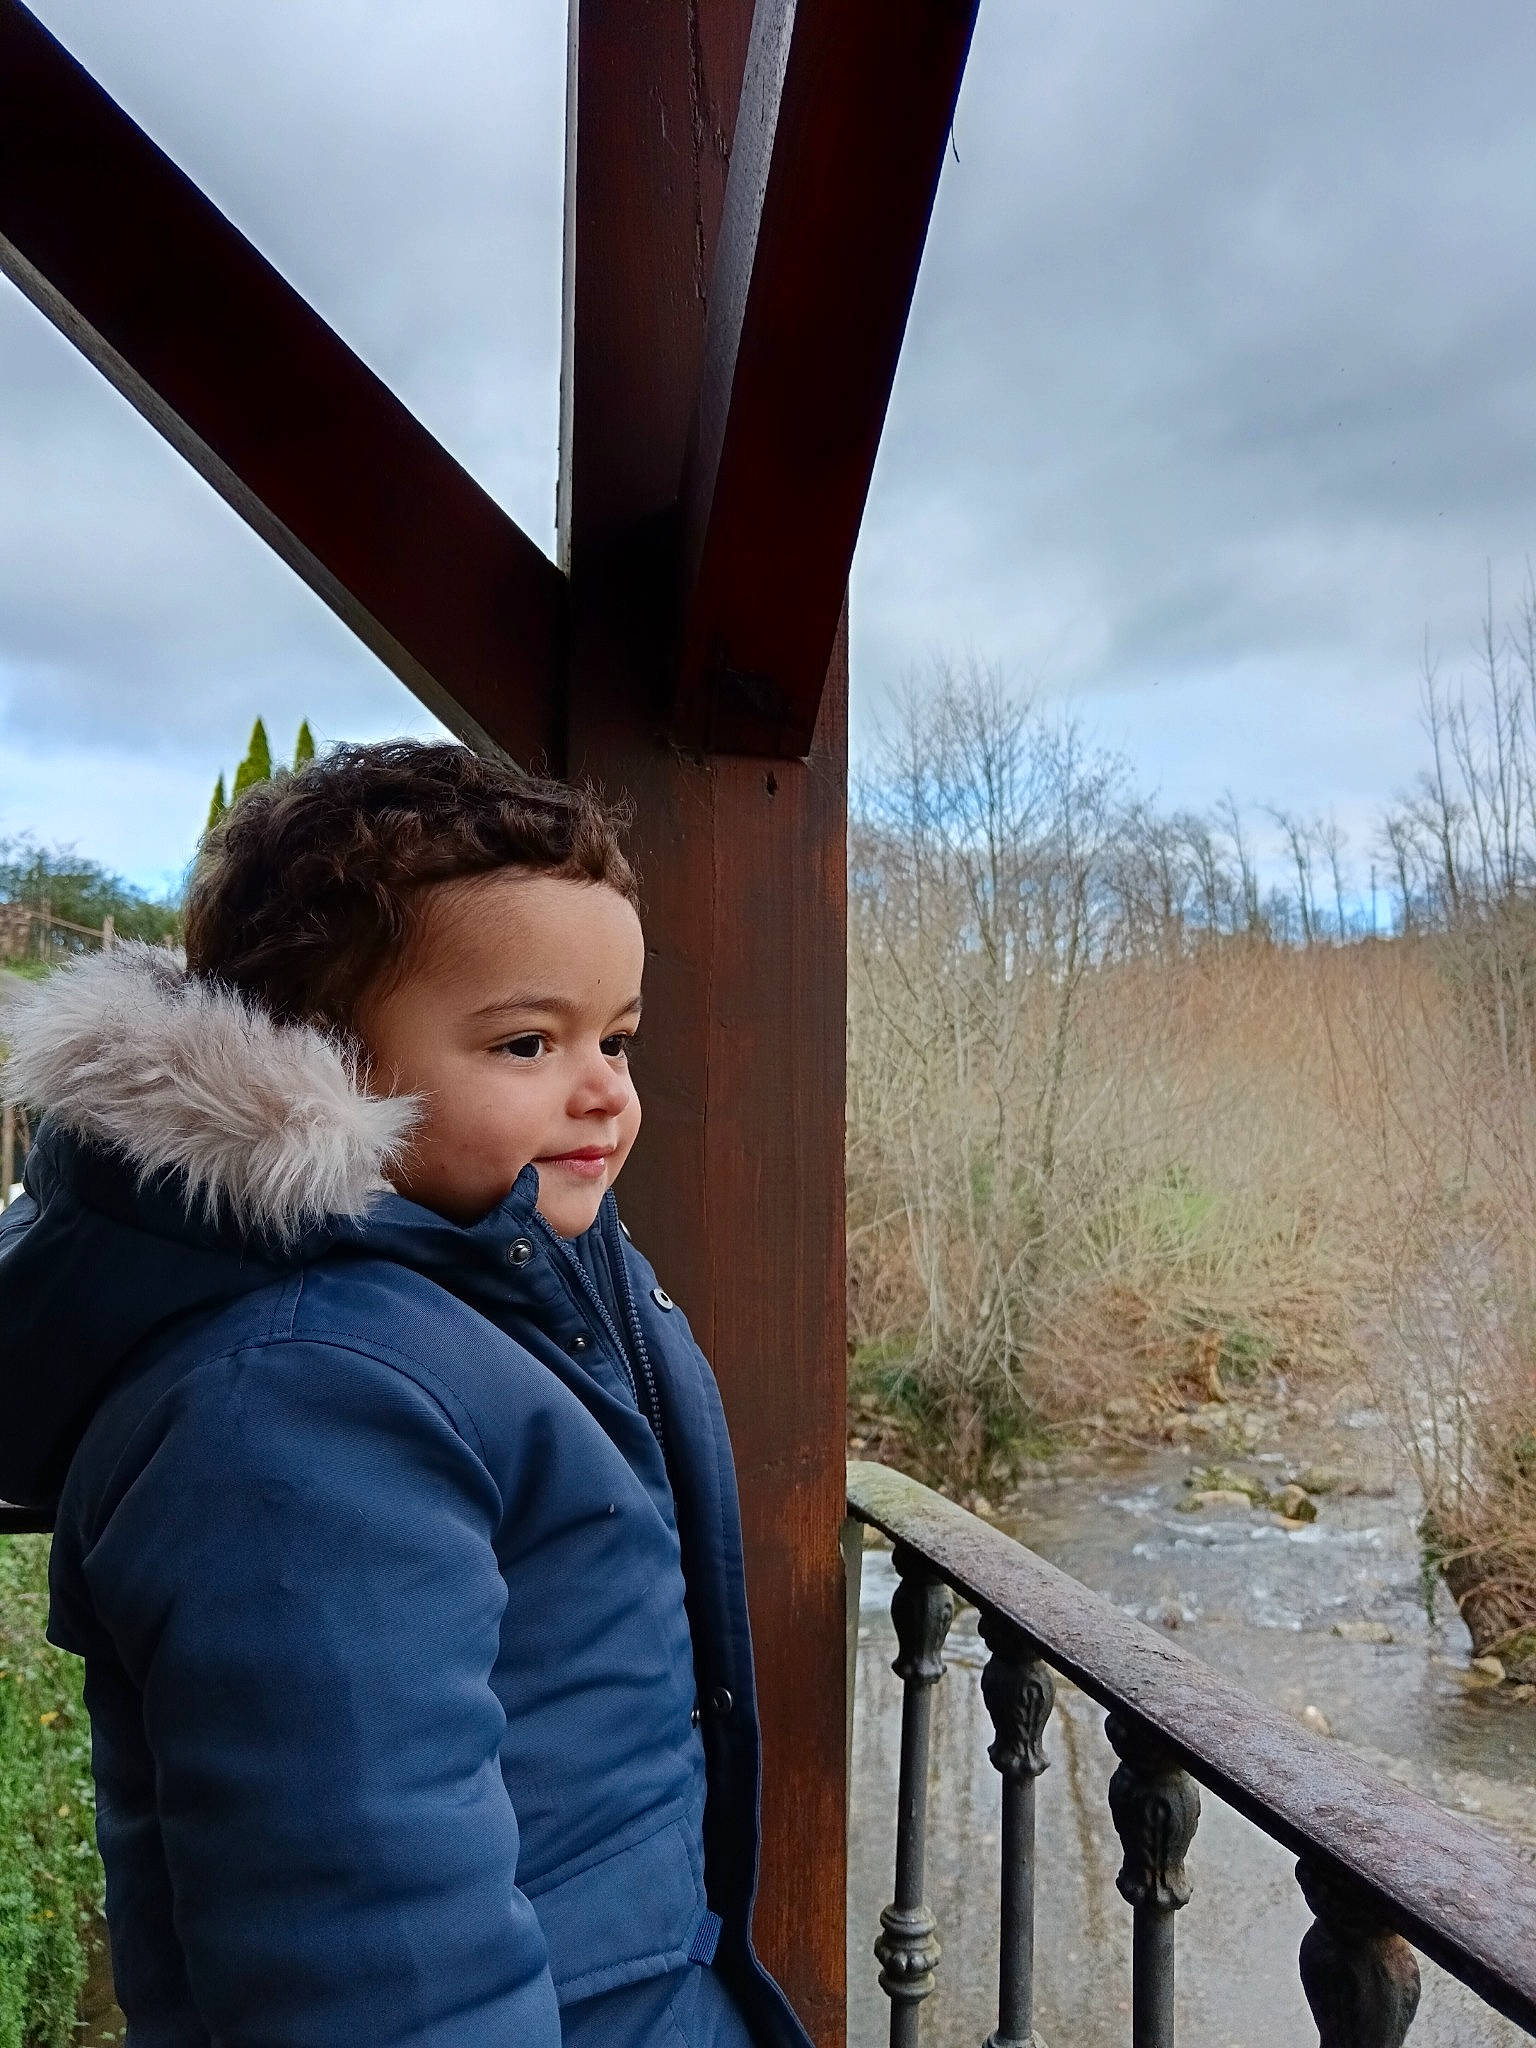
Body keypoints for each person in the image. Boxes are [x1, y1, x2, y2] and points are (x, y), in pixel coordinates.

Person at [0, 741, 813, 2048]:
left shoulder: (497, 1285)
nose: (605, 1086)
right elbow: (366, 1948)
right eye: (529, 1040)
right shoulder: (290, 1405)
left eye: (617, 1037)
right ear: (319, 1066)